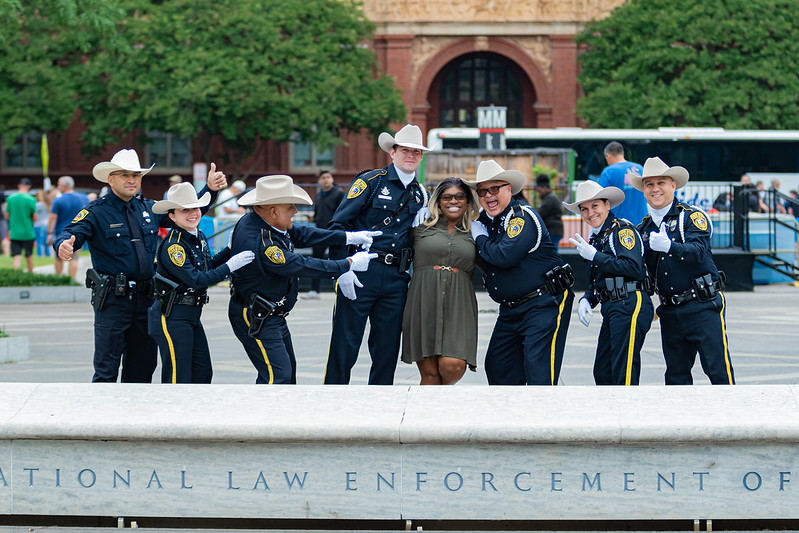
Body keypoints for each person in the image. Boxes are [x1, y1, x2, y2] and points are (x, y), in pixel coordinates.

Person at [54, 148, 227, 383]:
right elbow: (72, 232)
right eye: (124, 175)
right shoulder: (96, 212)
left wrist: (210, 190)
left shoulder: (149, 208)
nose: (131, 180)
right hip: (114, 301)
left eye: (135, 175)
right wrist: (63, 244)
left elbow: (187, 213)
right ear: (110, 178)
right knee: (107, 370)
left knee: (142, 370)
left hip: (147, 300)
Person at [228, 175, 378, 384]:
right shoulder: (263, 243)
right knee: (277, 376)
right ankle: (265, 416)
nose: (295, 211)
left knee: (286, 373)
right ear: (273, 211)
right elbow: (301, 265)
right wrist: (348, 264)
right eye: (291, 207)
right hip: (257, 316)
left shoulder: (262, 221)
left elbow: (302, 233)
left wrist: (347, 236)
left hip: (269, 313)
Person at [323, 124, 430, 385]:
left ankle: (382, 407)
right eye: (405, 150)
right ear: (392, 152)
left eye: (416, 151)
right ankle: (331, 403)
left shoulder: (421, 195)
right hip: (361, 271)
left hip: (396, 277)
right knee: (344, 344)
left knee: (386, 348)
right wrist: (342, 269)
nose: (410, 155)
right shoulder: (370, 182)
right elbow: (338, 226)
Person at [469, 159, 574, 386]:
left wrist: (479, 237)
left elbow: (503, 256)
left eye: (494, 189)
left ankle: (542, 420)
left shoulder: (521, 217)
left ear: (509, 189)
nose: (488, 196)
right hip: (510, 309)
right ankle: (512, 419)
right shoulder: (489, 221)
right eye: (482, 191)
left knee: (538, 371)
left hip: (542, 303)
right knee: (498, 366)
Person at [634, 156, 734, 385]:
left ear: (673, 185)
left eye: (661, 182)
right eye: (649, 184)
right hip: (670, 310)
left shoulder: (690, 216)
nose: (655, 188)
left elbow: (699, 251)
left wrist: (670, 247)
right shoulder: (643, 228)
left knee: (718, 370)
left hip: (702, 304)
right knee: (676, 376)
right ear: (644, 190)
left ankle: (733, 419)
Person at [148, 183, 254, 384]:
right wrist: (230, 266)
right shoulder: (174, 245)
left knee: (202, 373)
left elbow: (207, 266)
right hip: (172, 315)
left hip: (191, 315)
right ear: (172, 216)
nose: (192, 213)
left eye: (195, 208)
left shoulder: (197, 236)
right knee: (179, 378)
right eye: (184, 210)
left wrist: (228, 251)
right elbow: (197, 280)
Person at [564, 181, 654, 385]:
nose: (590, 213)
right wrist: (588, 298)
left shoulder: (622, 231)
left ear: (607, 205)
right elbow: (601, 278)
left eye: (595, 206)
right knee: (604, 371)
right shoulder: (598, 236)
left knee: (624, 372)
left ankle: (627, 415)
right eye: (584, 209)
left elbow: (632, 267)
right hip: (613, 304)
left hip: (630, 301)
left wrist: (595, 256)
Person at [401, 177, 480, 385]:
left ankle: (437, 405)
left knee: (452, 365)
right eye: (447, 197)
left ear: (468, 201)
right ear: (438, 201)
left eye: (459, 196)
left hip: (460, 303)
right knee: (429, 375)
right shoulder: (419, 227)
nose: (453, 201)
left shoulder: (477, 230)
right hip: (423, 298)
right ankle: (430, 415)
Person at [306, 169, 345, 298]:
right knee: (316, 260)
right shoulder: (318, 195)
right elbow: (318, 213)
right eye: (323, 177)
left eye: (328, 177)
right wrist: (313, 218)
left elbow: (342, 213)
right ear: (319, 181)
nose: (326, 179)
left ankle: (341, 288)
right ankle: (314, 290)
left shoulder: (339, 194)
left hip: (334, 232)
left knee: (338, 260)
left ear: (332, 179)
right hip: (320, 232)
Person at [47, 176, 90, 280]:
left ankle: (59, 279)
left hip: (61, 233)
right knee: (74, 258)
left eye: (58, 184)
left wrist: (49, 233)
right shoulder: (84, 198)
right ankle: (72, 280)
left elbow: (53, 218)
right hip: (78, 232)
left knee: (58, 257)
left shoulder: (58, 200)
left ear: (63, 186)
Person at [598, 141, 647, 225]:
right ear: (622, 153)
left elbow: (599, 197)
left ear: (608, 155)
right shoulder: (640, 168)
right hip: (642, 222)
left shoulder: (608, 172)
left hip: (618, 224)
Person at [4, 178, 38, 272]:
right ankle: (31, 275)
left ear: (19, 185)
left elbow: (6, 216)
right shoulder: (31, 199)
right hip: (27, 232)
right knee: (29, 255)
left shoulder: (11, 198)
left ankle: (16, 276)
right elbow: (35, 218)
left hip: (14, 232)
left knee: (17, 255)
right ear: (29, 186)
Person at [533, 174, 563, 249]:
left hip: (553, 231)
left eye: (539, 191)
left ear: (545, 187)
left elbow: (540, 213)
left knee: (551, 254)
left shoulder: (550, 199)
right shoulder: (549, 197)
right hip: (554, 231)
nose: (538, 194)